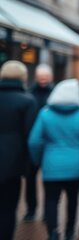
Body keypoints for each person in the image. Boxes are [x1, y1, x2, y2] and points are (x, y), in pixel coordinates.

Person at [28, 79, 79, 240]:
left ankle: (53, 233)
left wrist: (38, 160)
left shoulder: (45, 113)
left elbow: (34, 142)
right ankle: (69, 232)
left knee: (51, 200)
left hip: (51, 165)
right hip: (77, 166)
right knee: (73, 199)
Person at [0, 61, 37, 240]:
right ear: (23, 77)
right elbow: (30, 136)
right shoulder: (27, 101)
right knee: (8, 208)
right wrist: (29, 165)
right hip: (12, 165)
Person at [24, 63, 55, 222]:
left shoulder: (55, 94)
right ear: (36, 77)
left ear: (50, 78)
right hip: (33, 143)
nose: (43, 80)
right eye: (40, 77)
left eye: (45, 77)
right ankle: (31, 209)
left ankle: (47, 212)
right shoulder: (29, 93)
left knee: (48, 180)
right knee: (30, 179)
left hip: (50, 145)